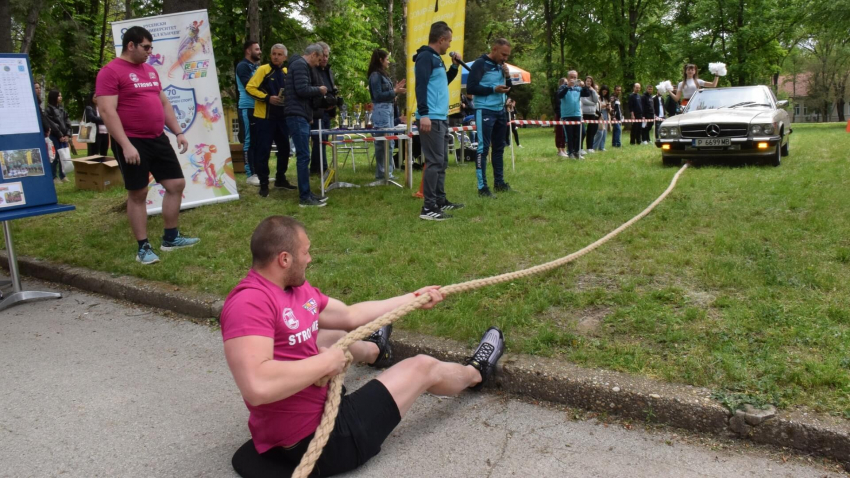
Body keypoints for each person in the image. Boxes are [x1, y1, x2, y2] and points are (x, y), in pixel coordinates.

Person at [223, 216, 505, 477]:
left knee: (325, 333)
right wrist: (327, 363)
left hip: (306, 411)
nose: (310, 258)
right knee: (422, 366)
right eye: (305, 252)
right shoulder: (249, 304)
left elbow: (349, 315)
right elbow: (257, 385)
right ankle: (476, 372)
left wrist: (413, 298)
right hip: (324, 439)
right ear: (284, 259)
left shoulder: (294, 289)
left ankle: (374, 351)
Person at [96, 26, 200, 265]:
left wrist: (178, 132)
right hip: (132, 141)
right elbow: (107, 111)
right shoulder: (110, 72)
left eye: (151, 47)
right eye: (145, 47)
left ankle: (171, 238)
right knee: (138, 193)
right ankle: (143, 247)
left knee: (176, 184)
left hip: (157, 138)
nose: (149, 52)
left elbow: (163, 104)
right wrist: (125, 145)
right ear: (130, 45)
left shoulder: (150, 71)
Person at [414, 21, 463, 220]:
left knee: (441, 161)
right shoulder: (426, 57)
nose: (450, 46)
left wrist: (453, 68)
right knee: (434, 161)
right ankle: (428, 208)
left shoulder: (436, 58)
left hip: (440, 116)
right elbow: (421, 86)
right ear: (441, 39)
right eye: (449, 41)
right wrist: (424, 114)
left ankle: (440, 200)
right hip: (430, 117)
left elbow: (441, 83)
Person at [246, 44, 295, 198]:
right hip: (264, 118)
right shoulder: (263, 70)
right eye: (274, 53)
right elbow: (250, 88)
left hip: (282, 117)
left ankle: (280, 178)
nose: (276, 56)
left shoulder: (287, 72)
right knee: (263, 151)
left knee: (285, 149)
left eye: (280, 54)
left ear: (285, 57)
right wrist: (268, 98)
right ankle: (264, 184)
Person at [466, 38, 513, 197]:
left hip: (500, 111)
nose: (505, 58)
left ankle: (499, 183)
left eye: (507, 55)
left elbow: (507, 89)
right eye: (503, 54)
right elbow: (471, 88)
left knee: (499, 147)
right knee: (483, 148)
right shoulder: (480, 64)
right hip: (484, 110)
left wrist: (508, 77)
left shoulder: (501, 67)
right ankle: (482, 187)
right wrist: (493, 89)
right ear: (494, 49)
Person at [284, 44, 328, 208]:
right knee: (303, 156)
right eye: (319, 58)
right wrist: (319, 90)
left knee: (304, 155)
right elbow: (301, 90)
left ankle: (307, 193)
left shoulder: (298, 65)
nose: (319, 62)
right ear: (314, 54)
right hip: (296, 115)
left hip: (299, 114)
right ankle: (304, 198)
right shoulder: (301, 66)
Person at [367, 49, 406, 180]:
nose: (388, 62)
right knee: (382, 143)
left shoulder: (383, 74)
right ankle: (382, 173)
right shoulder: (375, 76)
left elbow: (387, 94)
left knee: (389, 143)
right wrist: (395, 90)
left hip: (388, 109)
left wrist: (395, 91)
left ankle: (388, 173)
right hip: (381, 110)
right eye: (387, 59)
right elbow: (378, 96)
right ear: (380, 60)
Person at [310, 42, 338, 178]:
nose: (325, 59)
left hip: (328, 111)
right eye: (323, 56)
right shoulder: (312, 70)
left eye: (327, 56)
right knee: (319, 140)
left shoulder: (328, 70)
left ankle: (316, 168)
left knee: (323, 140)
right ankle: (322, 168)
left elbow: (331, 89)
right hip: (317, 111)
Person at [236, 40, 262, 186]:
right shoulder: (242, 66)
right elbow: (250, 87)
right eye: (257, 49)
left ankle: (258, 173)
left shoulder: (256, 67)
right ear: (248, 51)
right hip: (247, 108)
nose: (259, 52)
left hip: (258, 108)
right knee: (249, 141)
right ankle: (250, 174)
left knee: (258, 142)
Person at [45, 89, 71, 183]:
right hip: (55, 136)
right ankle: (53, 176)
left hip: (64, 136)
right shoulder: (48, 110)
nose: (60, 97)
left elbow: (67, 121)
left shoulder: (62, 109)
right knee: (55, 156)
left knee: (64, 156)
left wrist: (67, 134)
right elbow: (52, 124)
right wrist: (60, 135)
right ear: (54, 97)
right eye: (59, 96)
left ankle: (63, 175)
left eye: (61, 95)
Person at [556, 71, 583, 159]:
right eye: (571, 77)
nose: (573, 79)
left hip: (577, 114)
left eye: (575, 77)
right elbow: (559, 96)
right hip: (567, 115)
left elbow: (586, 94)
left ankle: (577, 152)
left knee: (578, 134)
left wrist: (586, 87)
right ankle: (570, 152)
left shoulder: (578, 88)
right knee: (569, 135)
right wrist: (568, 87)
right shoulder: (563, 87)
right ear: (568, 78)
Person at [580, 76, 600, 153]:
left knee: (591, 131)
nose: (589, 82)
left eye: (590, 81)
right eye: (587, 81)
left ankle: (589, 147)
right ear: (585, 82)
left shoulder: (593, 90)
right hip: (584, 113)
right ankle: (580, 148)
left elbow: (596, 99)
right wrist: (593, 103)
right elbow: (583, 100)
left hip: (592, 113)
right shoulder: (583, 90)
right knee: (583, 132)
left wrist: (594, 91)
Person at [593, 85, 611, 152]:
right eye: (604, 91)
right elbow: (598, 106)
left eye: (606, 92)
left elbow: (609, 108)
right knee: (600, 131)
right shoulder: (598, 97)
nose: (605, 93)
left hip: (606, 114)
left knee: (605, 132)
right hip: (600, 114)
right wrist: (604, 106)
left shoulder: (607, 99)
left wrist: (609, 107)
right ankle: (594, 147)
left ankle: (602, 146)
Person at [554, 78, 568, 157]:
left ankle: (563, 149)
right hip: (560, 115)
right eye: (565, 83)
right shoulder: (558, 93)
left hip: (565, 114)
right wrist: (560, 115)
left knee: (564, 133)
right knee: (559, 132)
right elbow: (558, 105)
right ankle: (559, 150)